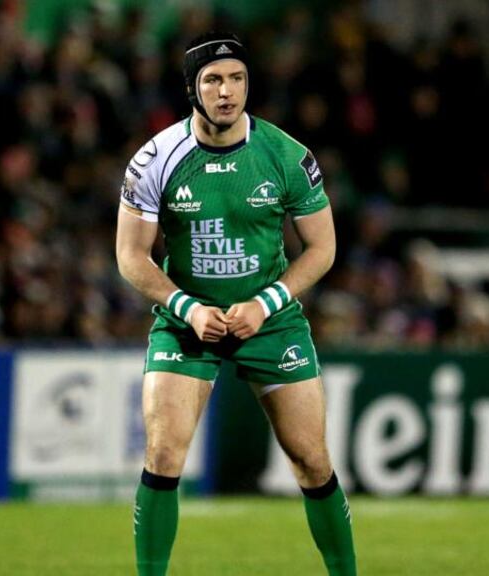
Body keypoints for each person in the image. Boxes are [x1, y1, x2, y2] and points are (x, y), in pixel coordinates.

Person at [115, 32, 355, 575]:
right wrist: (187, 308)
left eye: (238, 78)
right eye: (214, 80)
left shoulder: (287, 155)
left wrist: (266, 303)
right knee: (163, 455)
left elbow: (323, 247)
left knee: (312, 462)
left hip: (270, 323)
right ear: (193, 91)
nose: (228, 91)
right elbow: (131, 258)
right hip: (186, 323)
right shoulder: (155, 159)